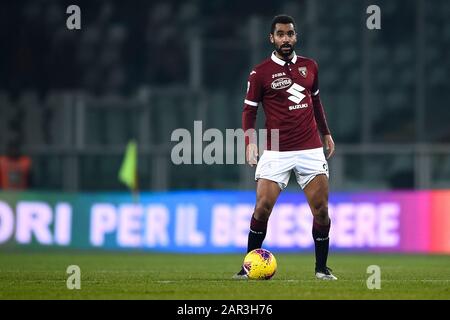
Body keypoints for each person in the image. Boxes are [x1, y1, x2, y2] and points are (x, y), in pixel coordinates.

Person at [234, 15, 337, 280]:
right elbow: (249, 111)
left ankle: (321, 269)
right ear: (272, 38)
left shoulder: (310, 66)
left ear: (295, 36)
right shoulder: (260, 73)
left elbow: (316, 103)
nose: (285, 39)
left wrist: (325, 133)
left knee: (322, 210)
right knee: (262, 208)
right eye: (280, 34)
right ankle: (247, 269)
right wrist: (249, 143)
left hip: (310, 149)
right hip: (277, 150)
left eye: (290, 34)